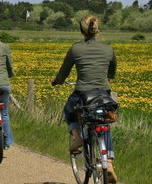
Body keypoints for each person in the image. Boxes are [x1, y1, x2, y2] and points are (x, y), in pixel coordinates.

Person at [51, 15, 118, 183]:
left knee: (69, 109)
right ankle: (108, 162)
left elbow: (64, 72)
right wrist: (109, 77)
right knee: (103, 123)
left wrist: (56, 81)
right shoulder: (108, 49)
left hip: (83, 94)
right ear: (98, 30)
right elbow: (112, 69)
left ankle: (76, 135)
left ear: (82, 31)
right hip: (103, 95)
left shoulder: (76, 49)